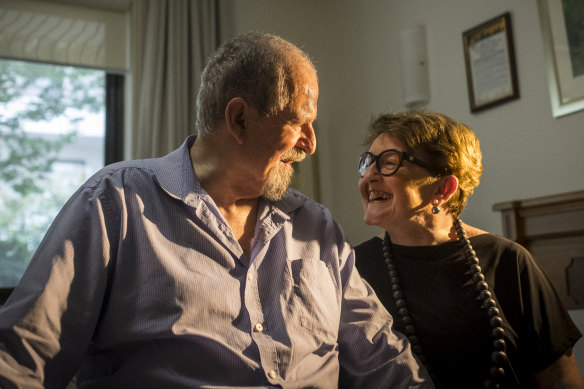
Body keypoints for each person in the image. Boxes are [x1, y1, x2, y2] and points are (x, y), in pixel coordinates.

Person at [0, 32, 434, 388]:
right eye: (300, 122)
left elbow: (383, 362)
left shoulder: (315, 226)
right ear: (239, 119)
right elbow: (20, 361)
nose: (311, 143)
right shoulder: (114, 202)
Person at [354, 111, 584, 388]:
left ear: (443, 189)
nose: (369, 174)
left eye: (389, 162)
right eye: (367, 163)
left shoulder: (509, 261)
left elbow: (562, 381)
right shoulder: (351, 268)